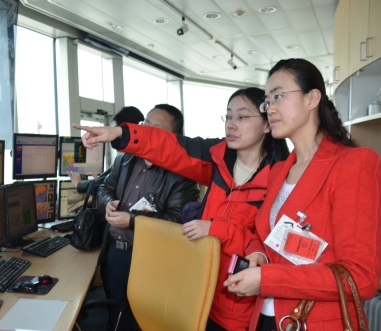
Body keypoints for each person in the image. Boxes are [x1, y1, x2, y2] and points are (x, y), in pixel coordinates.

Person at [73, 88, 290, 331]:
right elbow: (171, 148)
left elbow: (267, 249)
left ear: (267, 124)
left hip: (238, 303)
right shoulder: (218, 162)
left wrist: (216, 230)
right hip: (198, 286)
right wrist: (117, 133)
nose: (231, 125)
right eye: (228, 117)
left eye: (241, 117)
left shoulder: (282, 181)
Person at [222, 58, 381, 331]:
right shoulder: (279, 171)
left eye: (279, 96)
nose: (270, 108)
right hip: (266, 317)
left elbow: (360, 278)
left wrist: (267, 279)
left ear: (312, 98)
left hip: (316, 321)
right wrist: (260, 254)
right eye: (267, 101)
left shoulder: (354, 164)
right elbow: (267, 238)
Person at [97, 104, 200, 331]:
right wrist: (107, 202)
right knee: (115, 315)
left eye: (156, 128)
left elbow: (177, 222)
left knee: (144, 318)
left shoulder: (181, 174)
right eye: (145, 125)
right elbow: (105, 187)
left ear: (172, 137)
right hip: (115, 253)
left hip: (151, 257)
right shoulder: (124, 158)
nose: (146, 131)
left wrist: (133, 221)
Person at [67, 106, 145, 194]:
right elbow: (105, 182)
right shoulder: (139, 157)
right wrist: (97, 177)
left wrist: (78, 184)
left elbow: (100, 184)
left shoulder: (129, 158)